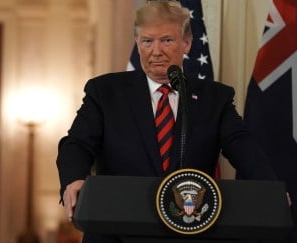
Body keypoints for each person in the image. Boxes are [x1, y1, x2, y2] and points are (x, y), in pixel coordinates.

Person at [56, 1, 278, 242]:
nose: (156, 51)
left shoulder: (213, 98)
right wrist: (74, 179)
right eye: (147, 41)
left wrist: (270, 188)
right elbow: (76, 144)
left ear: (187, 43)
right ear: (138, 43)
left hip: (190, 230)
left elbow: (243, 147)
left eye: (167, 40)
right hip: (115, 233)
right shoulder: (105, 92)